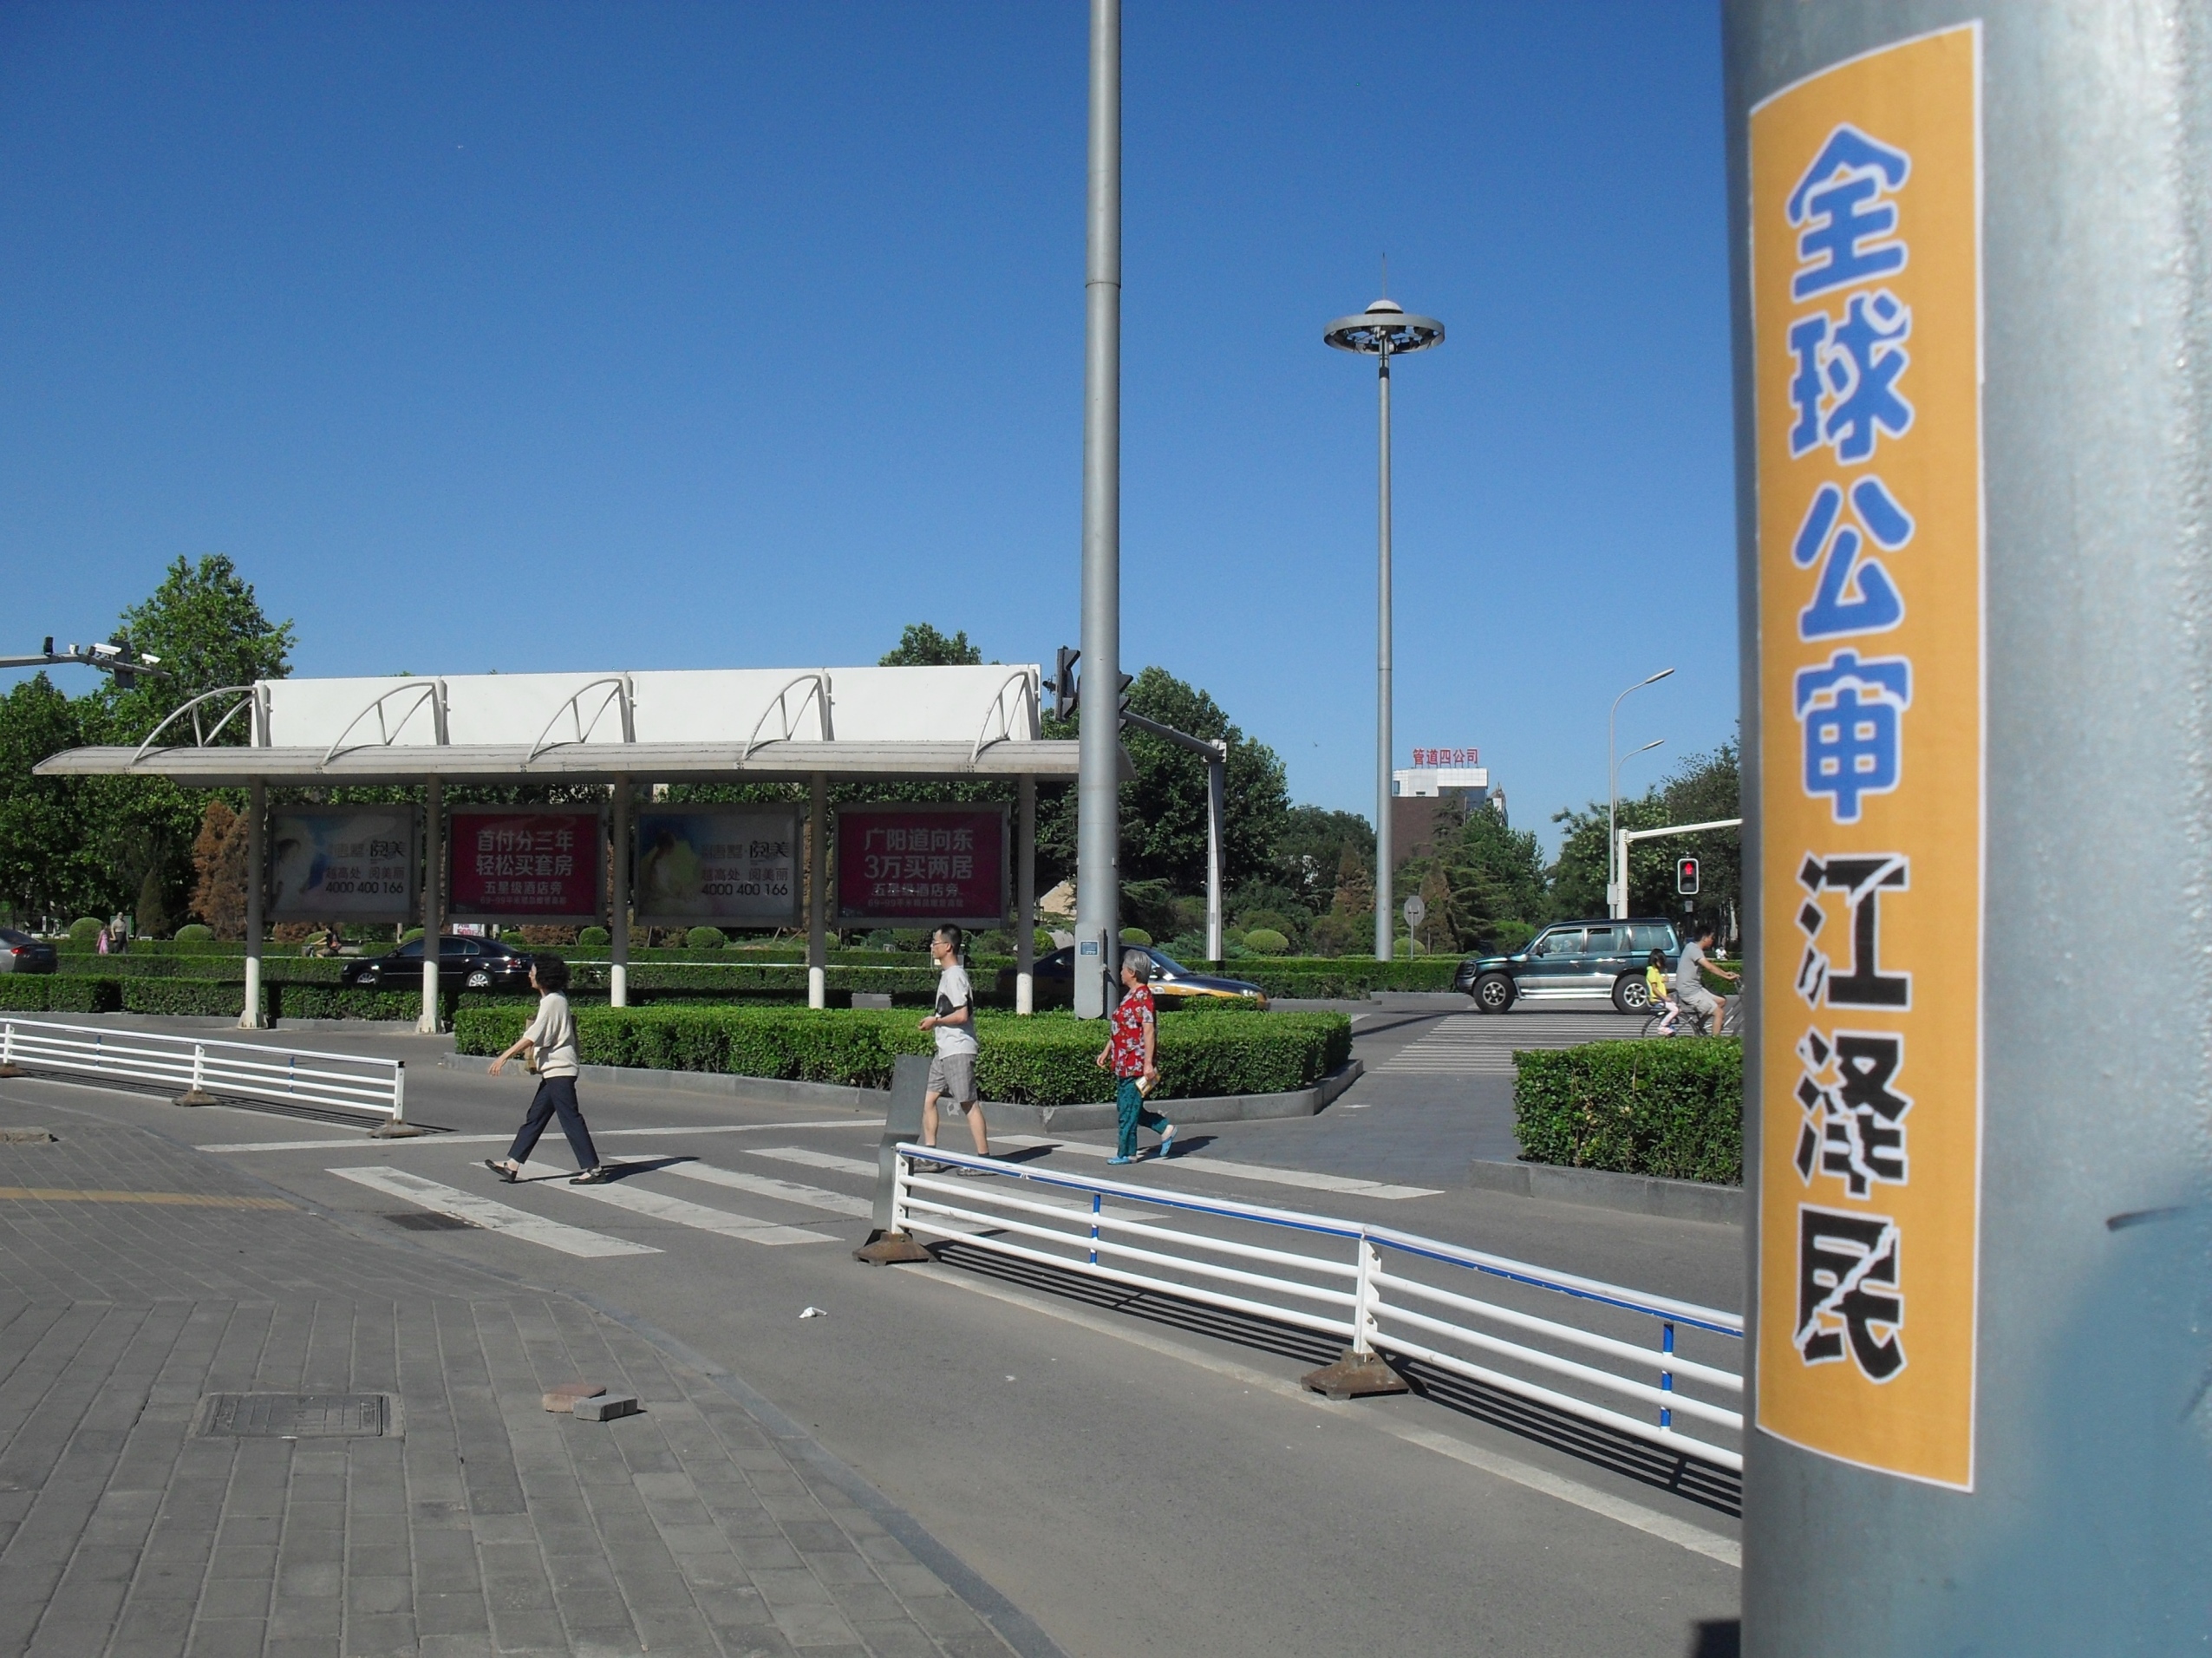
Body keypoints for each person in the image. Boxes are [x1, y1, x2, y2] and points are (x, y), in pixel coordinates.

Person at [484, 954, 612, 1184]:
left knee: (570, 1119)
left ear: (544, 977)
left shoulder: (553, 1001)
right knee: (535, 1118)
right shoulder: (556, 998)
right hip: (554, 1070)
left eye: (533, 973)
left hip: (560, 1070)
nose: (529, 976)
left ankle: (594, 1169)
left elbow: (533, 1035)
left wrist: (503, 1056)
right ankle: (512, 1165)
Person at [917, 924, 989, 1170]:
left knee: (968, 1102)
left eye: (935, 943)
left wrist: (935, 1021)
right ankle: (930, 1154)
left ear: (948, 946)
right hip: (945, 1049)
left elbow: (962, 1015)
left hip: (958, 1048)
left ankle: (984, 1160)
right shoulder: (948, 975)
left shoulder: (956, 976)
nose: (932, 947)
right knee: (928, 1099)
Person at [1095, 949, 1175, 1165]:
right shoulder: (1130, 996)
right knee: (1127, 1107)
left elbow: (1148, 1031)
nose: (1120, 972)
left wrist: (1148, 1063)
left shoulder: (1144, 997)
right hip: (1123, 1062)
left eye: (1123, 968)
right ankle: (1164, 1128)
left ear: (1132, 972)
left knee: (1128, 1110)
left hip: (1136, 1064)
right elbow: (1122, 1029)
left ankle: (1126, 1153)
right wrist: (1107, 1050)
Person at [1674, 921, 1739, 1035]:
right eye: (1711, 938)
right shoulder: (1694, 949)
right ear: (1705, 938)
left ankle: (1700, 1024)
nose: (1712, 940)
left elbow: (1710, 965)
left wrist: (1725, 973)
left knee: (1721, 1001)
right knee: (1719, 1013)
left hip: (1696, 988)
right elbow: (1709, 967)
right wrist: (1726, 977)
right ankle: (1715, 1043)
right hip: (1690, 992)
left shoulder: (1692, 947)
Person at [1646, 949, 1680, 1035]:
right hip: (1657, 999)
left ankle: (1668, 1026)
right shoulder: (1652, 972)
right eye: (1661, 962)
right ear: (1656, 960)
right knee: (1675, 1010)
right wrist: (1664, 998)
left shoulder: (1656, 972)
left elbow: (1665, 980)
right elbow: (1654, 988)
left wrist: (1665, 972)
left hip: (1660, 999)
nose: (1662, 964)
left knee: (1675, 1006)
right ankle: (1662, 1026)